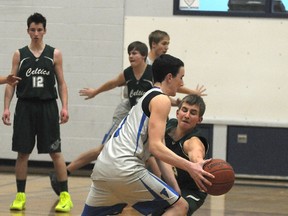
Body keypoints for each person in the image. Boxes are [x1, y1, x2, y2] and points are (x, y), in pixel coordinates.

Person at [81, 54, 214, 216]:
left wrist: (176, 190)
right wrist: (190, 166)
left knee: (176, 203)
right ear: (170, 77)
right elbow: (156, 147)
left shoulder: (147, 96)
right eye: (181, 77)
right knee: (180, 207)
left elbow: (159, 152)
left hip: (103, 168)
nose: (182, 83)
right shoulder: (161, 100)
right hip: (125, 168)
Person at [1, 13, 73, 212]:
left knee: (55, 152)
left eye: (39, 30)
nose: (36, 33)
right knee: (22, 153)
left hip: (48, 106)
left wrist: (64, 106)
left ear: (45, 31)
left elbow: (62, 83)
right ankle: (20, 195)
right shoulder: (19, 54)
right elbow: (10, 83)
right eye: (32, 30)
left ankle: (65, 196)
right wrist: (6, 107)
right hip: (25, 107)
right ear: (27, 31)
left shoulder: (54, 53)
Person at [156, 94, 209, 215]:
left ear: (199, 120)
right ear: (177, 113)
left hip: (190, 190)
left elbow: (196, 153)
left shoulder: (193, 140)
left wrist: (198, 162)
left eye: (193, 113)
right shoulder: (167, 127)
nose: (187, 115)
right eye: (184, 110)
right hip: (165, 184)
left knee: (180, 208)